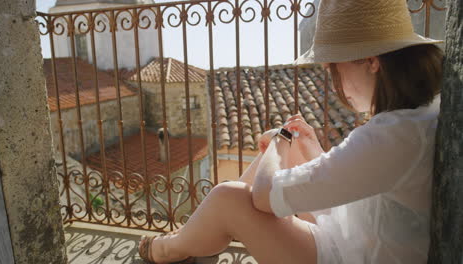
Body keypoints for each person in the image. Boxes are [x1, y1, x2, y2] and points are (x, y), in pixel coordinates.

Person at [138, 0, 444, 263]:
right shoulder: (412, 119)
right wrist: (302, 146)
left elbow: (262, 196)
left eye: (332, 68)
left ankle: (169, 248)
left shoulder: (390, 136)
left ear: (370, 62)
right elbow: (358, 181)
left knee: (227, 197)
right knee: (295, 145)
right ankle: (194, 237)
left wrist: (279, 143)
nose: (334, 81)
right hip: (355, 238)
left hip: (351, 255)